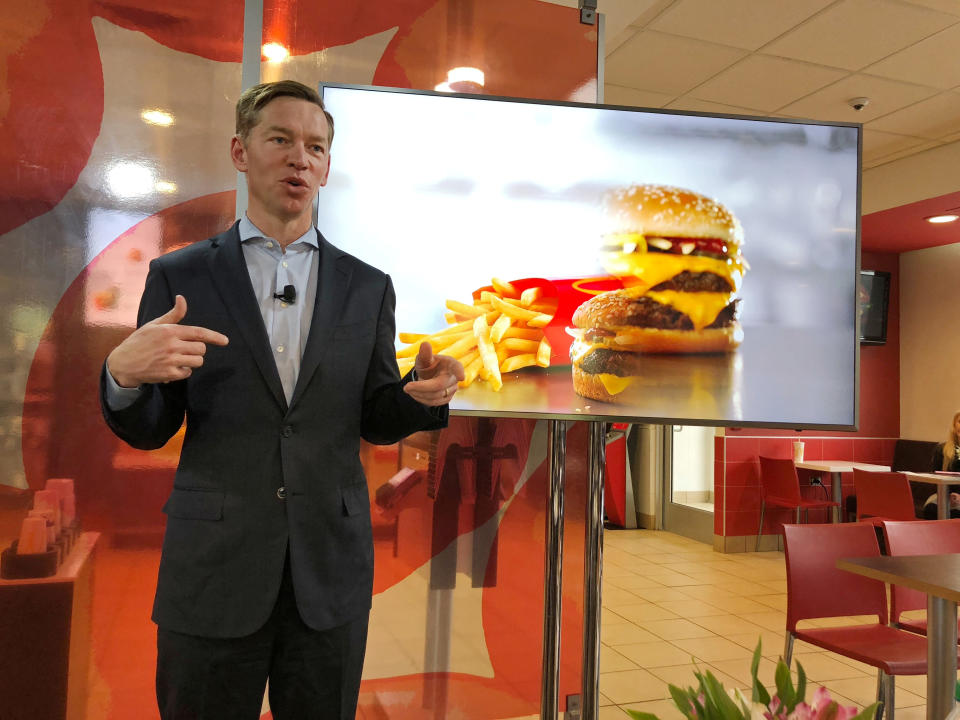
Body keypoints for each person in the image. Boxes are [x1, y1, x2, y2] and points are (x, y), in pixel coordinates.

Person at [99, 79, 464, 720]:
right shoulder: (181, 276)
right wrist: (123, 377)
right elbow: (154, 428)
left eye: (315, 147)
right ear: (241, 152)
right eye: (281, 140)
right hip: (214, 568)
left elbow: (376, 415)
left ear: (326, 166)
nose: (300, 158)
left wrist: (419, 398)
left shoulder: (367, 287)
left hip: (328, 570)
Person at [922, 410, 960, 519]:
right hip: (944, 495)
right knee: (931, 509)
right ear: (954, 425)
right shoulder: (941, 449)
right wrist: (947, 496)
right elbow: (935, 478)